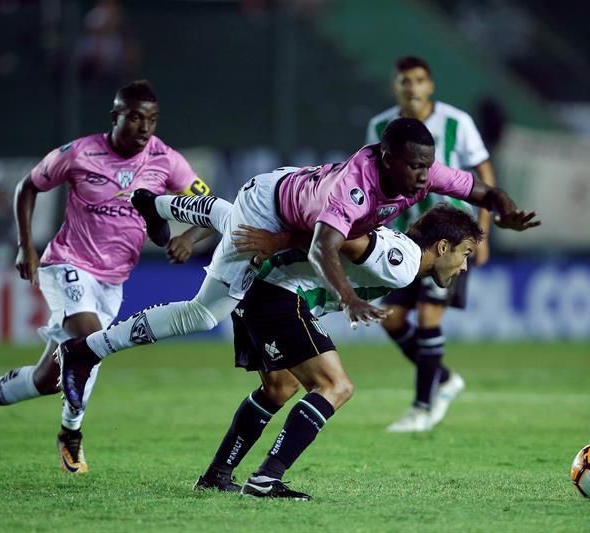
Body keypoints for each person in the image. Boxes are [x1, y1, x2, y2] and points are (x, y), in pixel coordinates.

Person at [56, 118, 539, 486]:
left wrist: (506, 209)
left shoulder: (421, 173)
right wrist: (344, 295)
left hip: (282, 196)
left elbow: (480, 188)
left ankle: (153, 204)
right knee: (205, 311)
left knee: (277, 379)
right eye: (412, 165)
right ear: (386, 156)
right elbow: (328, 245)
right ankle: (89, 349)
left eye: (424, 167)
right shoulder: (356, 190)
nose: (421, 176)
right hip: (277, 215)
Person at [0, 80, 213, 474]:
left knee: (50, 379)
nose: (144, 127)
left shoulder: (168, 160)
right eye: (134, 117)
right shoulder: (81, 153)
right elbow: (28, 186)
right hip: (67, 264)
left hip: (113, 282)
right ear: (115, 116)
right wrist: (25, 244)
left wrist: (189, 236)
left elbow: (210, 208)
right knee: (90, 342)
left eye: (152, 119)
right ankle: (70, 434)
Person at [194, 203, 483, 499]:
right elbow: (332, 236)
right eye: (465, 254)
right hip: (278, 293)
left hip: (258, 286)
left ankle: (217, 475)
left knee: (279, 387)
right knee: (335, 386)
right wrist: (278, 241)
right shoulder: (401, 261)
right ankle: (266, 479)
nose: (464, 266)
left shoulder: (403, 257)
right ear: (444, 246)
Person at [366, 56, 499, 432]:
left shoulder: (457, 123)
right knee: (391, 319)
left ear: (431, 85)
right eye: (405, 80)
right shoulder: (379, 126)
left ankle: (423, 408)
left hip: (450, 241)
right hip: (408, 239)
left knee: (427, 316)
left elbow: (483, 174)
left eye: (419, 80)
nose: (412, 87)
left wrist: (483, 233)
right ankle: (442, 378)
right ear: (396, 86)